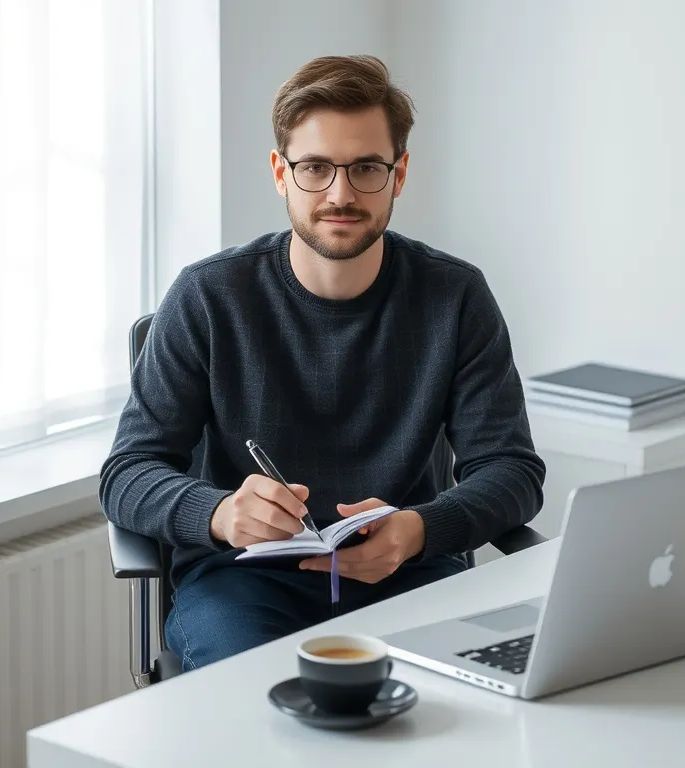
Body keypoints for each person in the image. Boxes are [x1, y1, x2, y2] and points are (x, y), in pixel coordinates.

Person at [100, 54, 546, 672]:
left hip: (406, 572)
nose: (341, 194)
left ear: (400, 173)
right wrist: (221, 514)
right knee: (261, 709)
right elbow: (127, 473)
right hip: (241, 582)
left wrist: (421, 528)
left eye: (366, 168)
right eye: (314, 168)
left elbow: (512, 471)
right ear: (281, 173)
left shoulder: (456, 297)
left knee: (461, 720)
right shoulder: (207, 297)